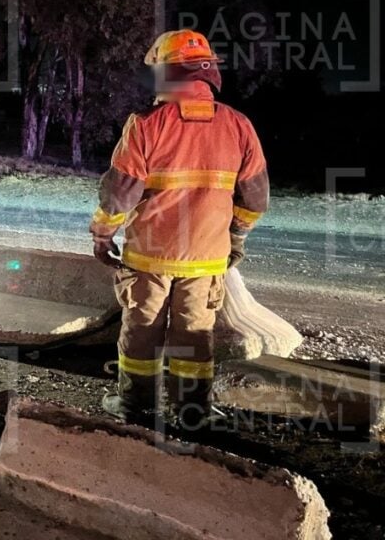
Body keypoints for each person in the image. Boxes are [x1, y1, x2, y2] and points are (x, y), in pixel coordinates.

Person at [89, 29, 269, 429]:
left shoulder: (146, 125)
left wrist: (102, 235)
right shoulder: (239, 126)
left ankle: (135, 406)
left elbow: (118, 196)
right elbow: (255, 199)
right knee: (195, 335)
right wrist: (235, 238)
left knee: (141, 331)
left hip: (148, 257)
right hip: (206, 259)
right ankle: (192, 412)